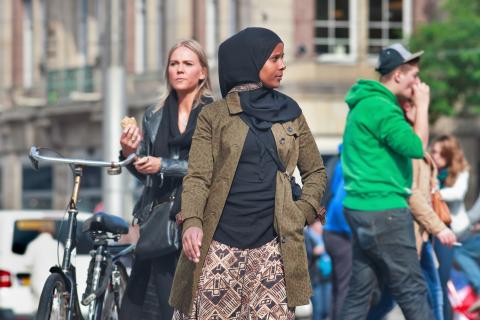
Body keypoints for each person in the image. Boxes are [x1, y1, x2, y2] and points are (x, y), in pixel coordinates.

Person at [169, 27, 327, 319]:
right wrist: (191, 221)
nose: (282, 66)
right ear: (251, 62)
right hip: (217, 245)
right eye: (274, 59)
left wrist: (301, 212)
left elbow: (316, 171)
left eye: (283, 58)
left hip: (274, 248)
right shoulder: (214, 115)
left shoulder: (291, 112)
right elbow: (198, 177)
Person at [118, 39, 213, 320]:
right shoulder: (154, 114)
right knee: (139, 309)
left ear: (203, 72)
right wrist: (129, 152)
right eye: (174, 64)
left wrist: (164, 165)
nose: (179, 70)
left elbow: (211, 167)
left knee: (178, 306)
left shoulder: (214, 113)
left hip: (197, 219)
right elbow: (145, 175)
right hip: (159, 222)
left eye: (187, 64)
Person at [340, 43, 434, 319]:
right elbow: (417, 147)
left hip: (361, 208)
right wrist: (423, 105)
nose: (418, 83)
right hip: (385, 210)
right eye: (414, 76)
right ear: (397, 75)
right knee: (412, 290)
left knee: (359, 293)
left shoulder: (364, 105)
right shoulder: (382, 108)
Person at [367, 100, 457, 320]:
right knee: (420, 296)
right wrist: (438, 227)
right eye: (422, 108)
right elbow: (411, 192)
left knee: (422, 294)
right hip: (407, 234)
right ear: (409, 111)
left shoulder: (415, 146)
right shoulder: (405, 147)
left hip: (419, 234)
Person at [431, 134, 470, 319]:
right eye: (433, 151)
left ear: (449, 155)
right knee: (435, 283)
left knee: (442, 280)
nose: (435, 156)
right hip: (433, 232)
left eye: (440, 153)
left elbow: (457, 193)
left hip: (454, 233)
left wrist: (433, 192)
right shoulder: (429, 170)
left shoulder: (460, 171)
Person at [322, 144, 352, 320]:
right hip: (342, 233)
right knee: (345, 289)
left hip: (331, 232)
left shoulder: (338, 162)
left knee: (338, 287)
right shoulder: (350, 164)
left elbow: (331, 192)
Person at [24, 221, 63, 301]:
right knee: (53, 306)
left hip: (38, 281)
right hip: (55, 281)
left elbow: (27, 263)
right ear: (52, 230)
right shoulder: (57, 245)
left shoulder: (33, 244)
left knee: (39, 306)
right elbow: (64, 264)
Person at [305, 221, 332, 320]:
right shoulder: (307, 236)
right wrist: (314, 252)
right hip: (315, 279)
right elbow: (304, 258)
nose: (322, 226)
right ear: (313, 224)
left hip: (328, 276)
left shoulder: (326, 236)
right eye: (320, 223)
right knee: (318, 310)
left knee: (327, 310)